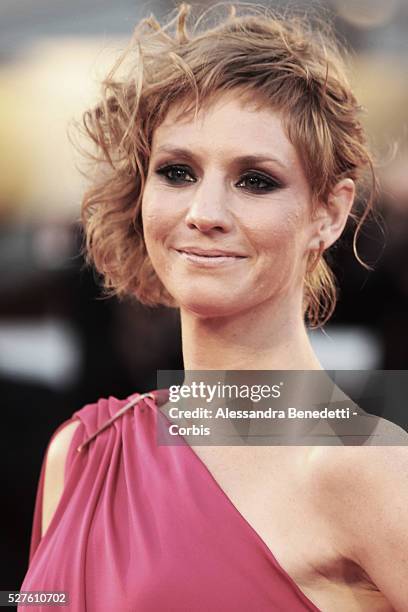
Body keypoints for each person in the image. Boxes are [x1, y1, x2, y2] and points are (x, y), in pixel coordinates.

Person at [20, 3, 408, 611]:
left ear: (328, 213)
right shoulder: (82, 450)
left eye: (256, 180)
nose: (204, 213)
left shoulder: (368, 470)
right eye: (177, 172)